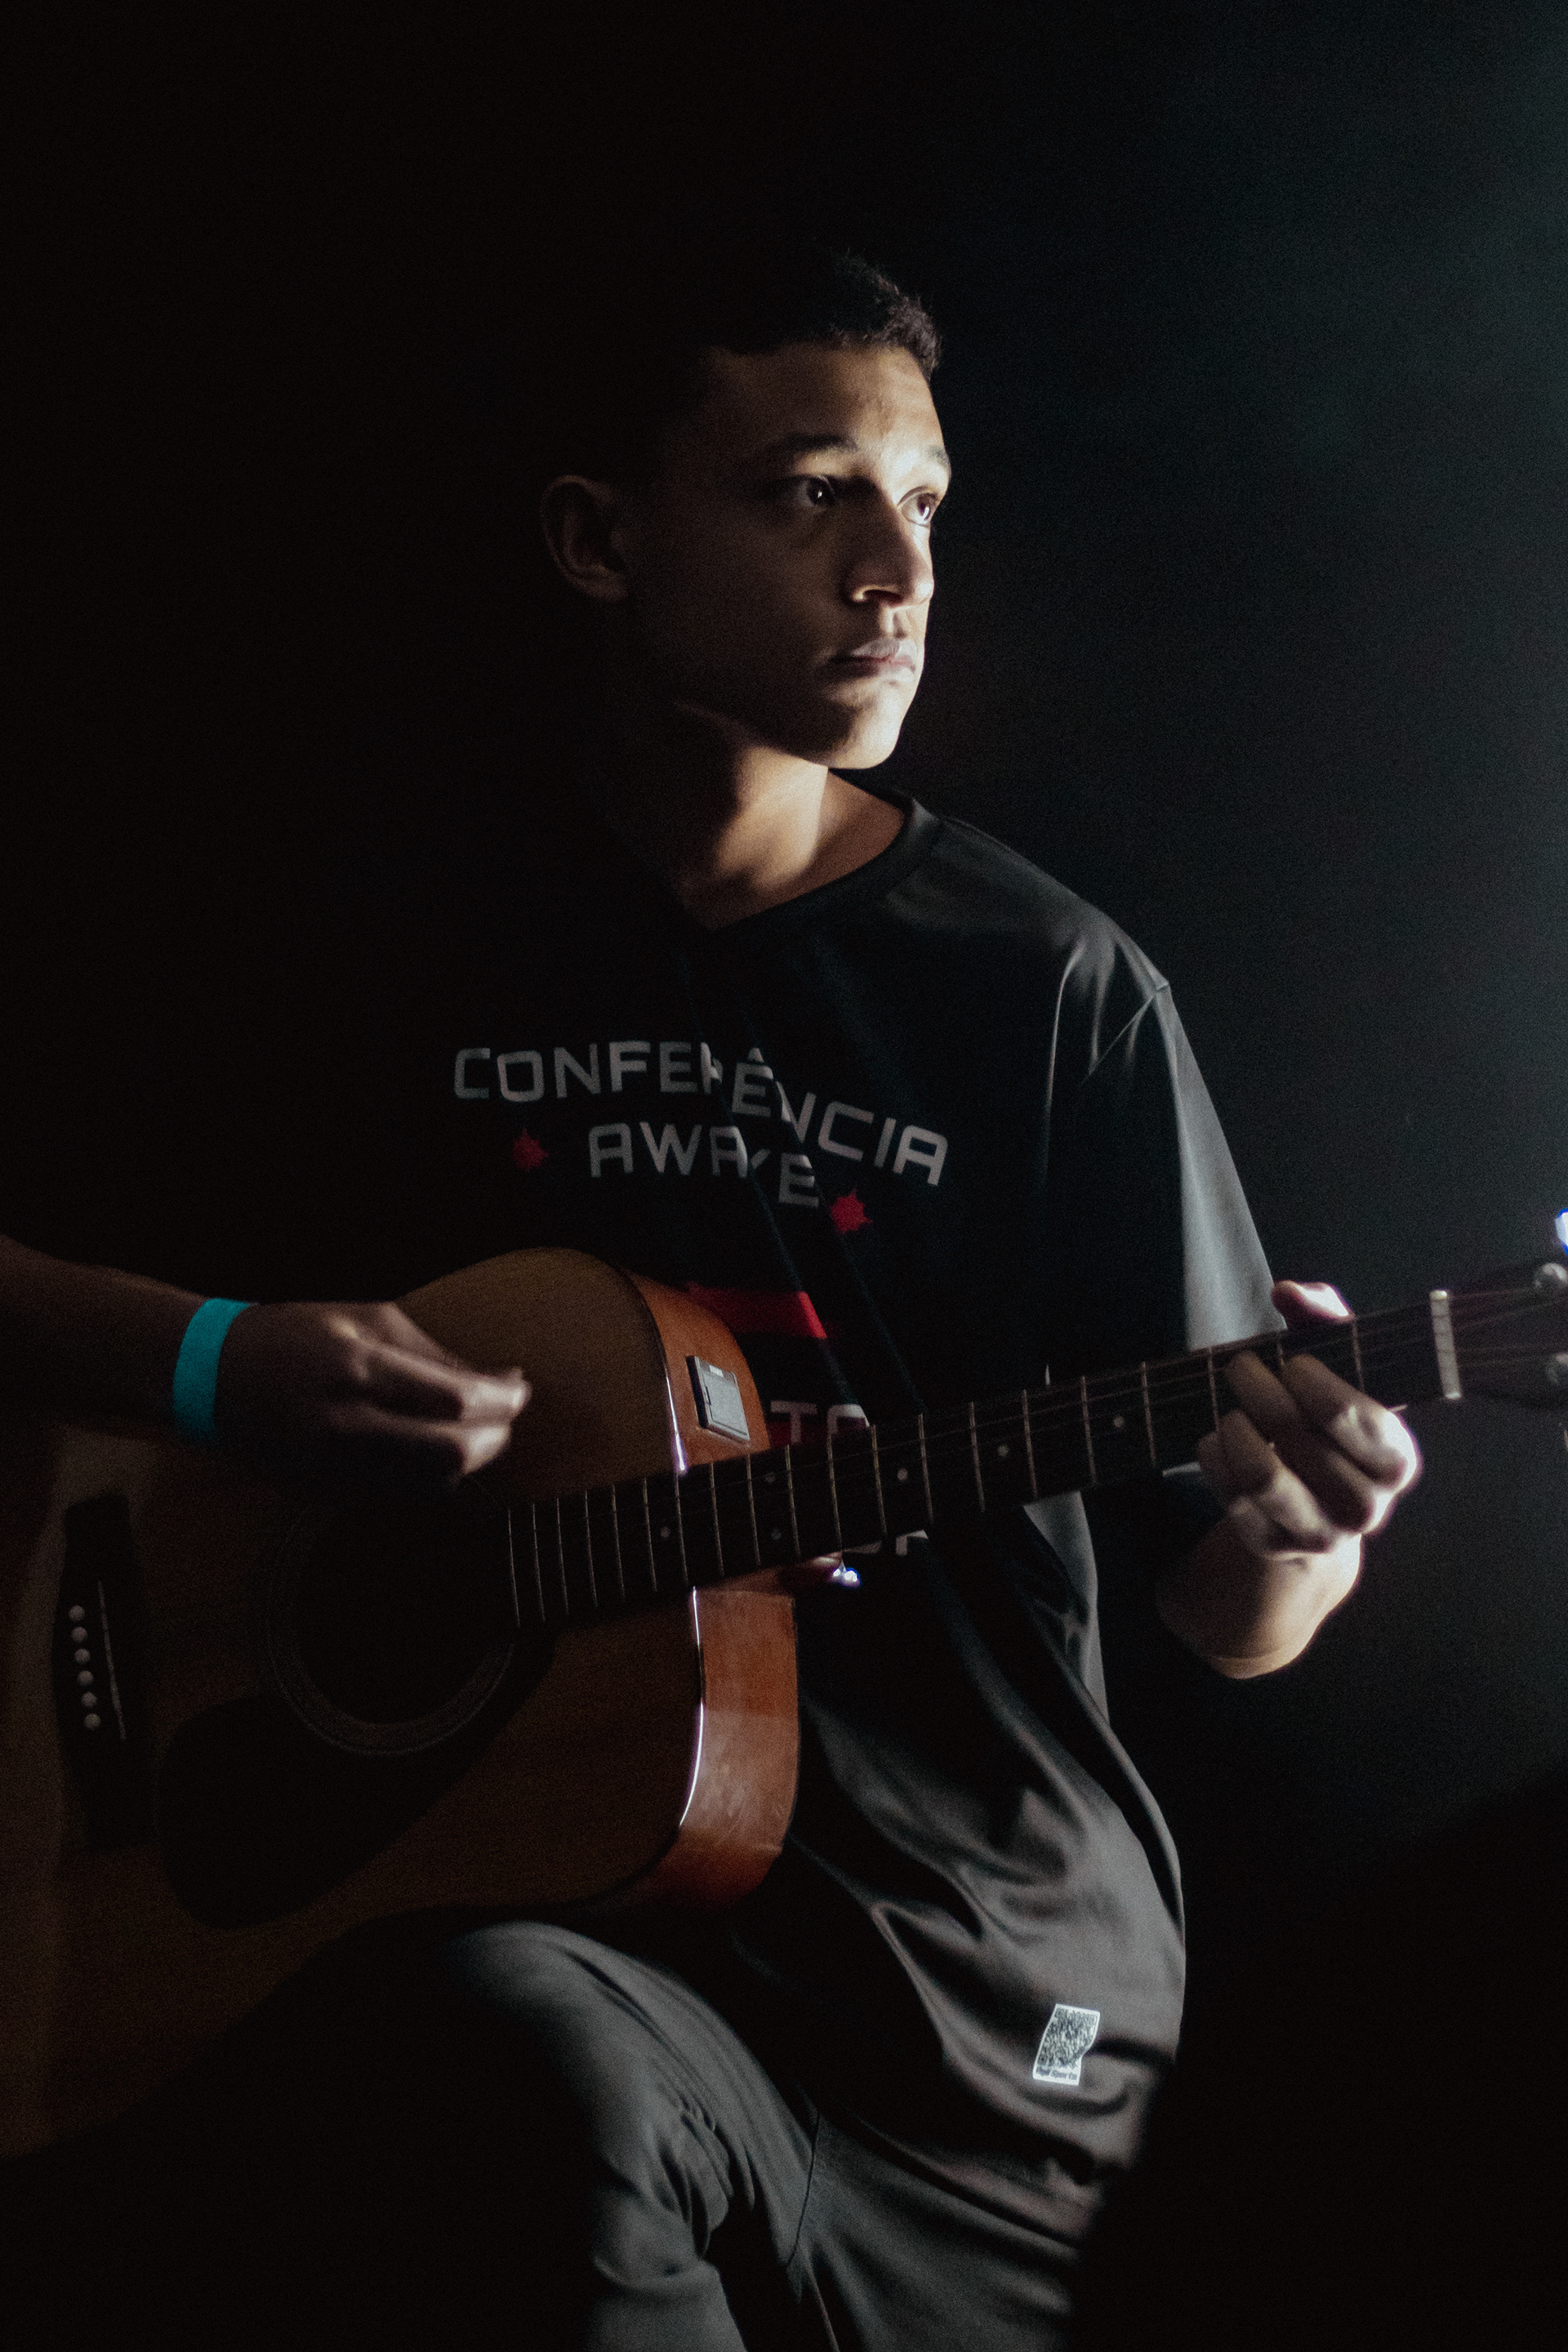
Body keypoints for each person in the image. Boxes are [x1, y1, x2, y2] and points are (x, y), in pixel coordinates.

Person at [2, 240, 1419, 2350]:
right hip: (557, 1937)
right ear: (599, 540)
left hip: (974, 1999)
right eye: (809, 493)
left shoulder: (1049, 993)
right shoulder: (379, 935)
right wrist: (215, 1363)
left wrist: (1309, 1525)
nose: (896, 573)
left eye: (923, 504)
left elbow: (1231, 1617)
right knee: (506, 2065)